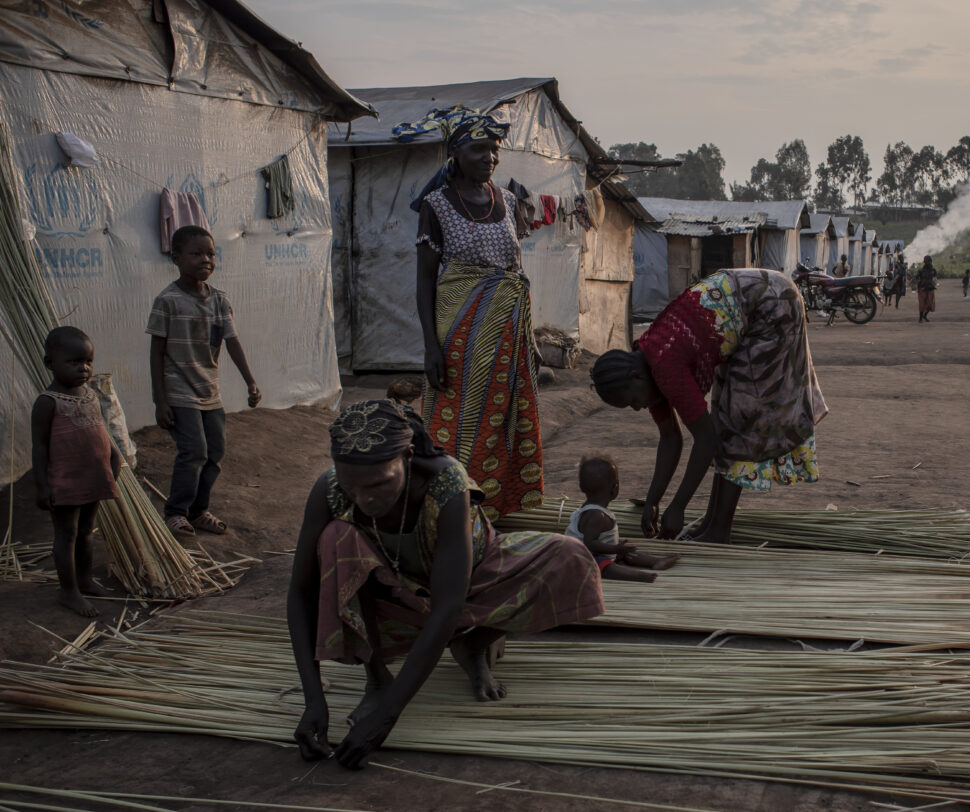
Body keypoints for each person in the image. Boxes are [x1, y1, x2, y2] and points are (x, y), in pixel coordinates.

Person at [287, 400, 603, 769]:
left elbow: (448, 606)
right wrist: (314, 702)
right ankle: (377, 678)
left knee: (571, 557)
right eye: (351, 487)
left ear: (407, 456)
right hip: (393, 591)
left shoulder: (447, 483)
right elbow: (301, 592)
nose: (365, 498)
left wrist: (388, 717)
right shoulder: (329, 490)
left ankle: (474, 643)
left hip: (473, 581)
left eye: (378, 483)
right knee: (334, 539)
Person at [589, 268, 827, 544]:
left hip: (771, 304)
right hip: (746, 310)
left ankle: (719, 529)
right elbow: (670, 439)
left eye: (633, 402)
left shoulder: (665, 367)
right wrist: (653, 501)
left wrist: (677, 507)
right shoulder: (647, 367)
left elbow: (706, 439)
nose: (637, 408)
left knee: (740, 422)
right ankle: (712, 522)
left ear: (635, 377)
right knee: (727, 418)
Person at [405, 106, 542, 521]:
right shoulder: (437, 204)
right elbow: (426, 280)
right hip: (460, 333)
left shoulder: (507, 199)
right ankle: (451, 507)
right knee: (459, 418)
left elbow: (516, 271)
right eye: (480, 149)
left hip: (507, 331)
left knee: (504, 418)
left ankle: (498, 507)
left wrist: (531, 341)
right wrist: (430, 346)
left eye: (495, 150)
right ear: (455, 151)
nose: (490, 158)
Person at [147, 225, 260, 538]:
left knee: (215, 453)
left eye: (210, 253)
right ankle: (175, 512)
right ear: (176, 258)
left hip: (210, 392)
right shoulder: (167, 301)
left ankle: (198, 511)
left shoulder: (220, 301)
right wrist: (160, 400)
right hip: (179, 392)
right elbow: (156, 353)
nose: (206, 259)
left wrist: (250, 381)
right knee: (193, 451)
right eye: (196, 253)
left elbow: (233, 343)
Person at [31, 326, 121, 617]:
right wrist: (42, 486)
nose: (84, 368)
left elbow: (100, 432)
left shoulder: (90, 395)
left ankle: (84, 579)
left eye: (88, 362)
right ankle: (68, 591)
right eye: (74, 362)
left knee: (86, 531)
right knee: (66, 534)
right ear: (50, 363)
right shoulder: (47, 402)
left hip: (92, 475)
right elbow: (40, 448)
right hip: (65, 482)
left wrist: (114, 458)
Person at [566, 456, 679, 582]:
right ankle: (638, 576)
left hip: (601, 552)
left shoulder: (593, 509)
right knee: (605, 566)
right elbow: (590, 543)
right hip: (582, 558)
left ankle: (656, 562)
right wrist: (615, 549)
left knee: (627, 554)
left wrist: (616, 549)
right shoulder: (596, 515)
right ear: (615, 488)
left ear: (582, 487)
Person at [915, 255, 939, 323]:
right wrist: (919, 283)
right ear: (925, 262)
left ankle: (925, 315)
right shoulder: (921, 271)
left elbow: (935, 279)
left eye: (929, 261)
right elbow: (916, 278)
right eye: (927, 261)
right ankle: (920, 318)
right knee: (922, 304)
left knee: (930, 304)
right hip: (922, 289)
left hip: (930, 288)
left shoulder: (933, 270)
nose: (928, 263)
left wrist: (934, 284)